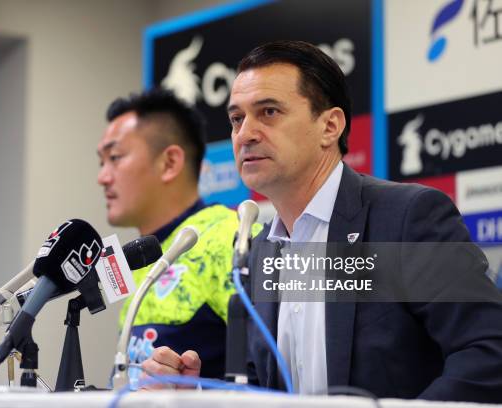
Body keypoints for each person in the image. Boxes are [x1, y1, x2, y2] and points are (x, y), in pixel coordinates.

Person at [142, 41, 502, 402]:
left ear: (330, 126)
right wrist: (198, 391)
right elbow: (264, 384)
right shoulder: (262, 249)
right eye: (237, 119)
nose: (245, 134)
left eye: (268, 112)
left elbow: (489, 349)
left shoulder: (407, 218)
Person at [97, 89, 260, 384]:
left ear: (170, 162)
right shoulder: (138, 257)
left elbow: (271, 373)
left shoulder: (230, 236)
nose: (103, 177)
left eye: (115, 158)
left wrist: (196, 397)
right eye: (101, 162)